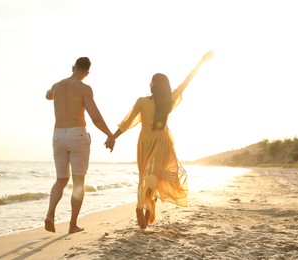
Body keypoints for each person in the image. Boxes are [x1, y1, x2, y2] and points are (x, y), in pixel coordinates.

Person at [105, 50, 214, 229]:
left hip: (160, 143)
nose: (149, 83)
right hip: (147, 144)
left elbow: (186, 82)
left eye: (151, 80)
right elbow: (127, 122)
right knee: (146, 177)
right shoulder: (143, 101)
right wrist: (113, 138)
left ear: (155, 84)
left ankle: (145, 208)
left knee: (154, 177)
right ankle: (142, 207)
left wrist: (200, 63)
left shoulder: (167, 100)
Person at [45, 57, 114, 234]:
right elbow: (95, 117)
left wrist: (51, 90)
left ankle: (50, 215)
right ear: (87, 73)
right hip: (77, 135)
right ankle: (72, 224)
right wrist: (109, 134)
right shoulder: (84, 89)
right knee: (78, 182)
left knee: (60, 180)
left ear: (73, 67)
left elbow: (48, 95)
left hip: (58, 135)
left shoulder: (58, 85)